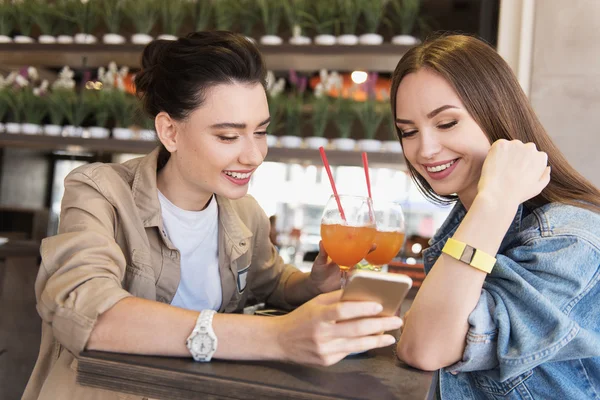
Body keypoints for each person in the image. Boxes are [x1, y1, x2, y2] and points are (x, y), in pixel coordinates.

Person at [23, 31, 402, 400]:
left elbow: (269, 282)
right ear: (170, 131)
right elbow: (88, 314)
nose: (253, 155)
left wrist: (311, 285)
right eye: (228, 136)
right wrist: (278, 338)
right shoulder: (99, 191)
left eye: (261, 132)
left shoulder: (243, 212)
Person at [391, 34, 600, 399]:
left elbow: (425, 347)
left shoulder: (568, 241)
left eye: (446, 123)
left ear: (496, 114)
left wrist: (495, 201)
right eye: (408, 131)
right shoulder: (469, 221)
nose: (424, 149)